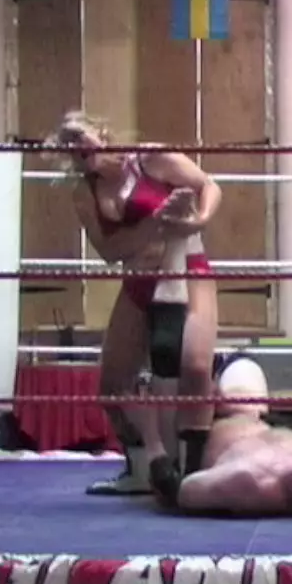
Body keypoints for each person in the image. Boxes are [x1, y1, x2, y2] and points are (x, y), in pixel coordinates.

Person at [48, 111, 220, 495]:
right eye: (68, 146)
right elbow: (110, 251)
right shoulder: (85, 194)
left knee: (195, 367)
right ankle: (144, 467)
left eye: (80, 138)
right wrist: (155, 222)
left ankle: (192, 470)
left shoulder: (149, 158)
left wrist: (198, 220)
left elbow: (208, 185)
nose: (77, 149)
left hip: (186, 267)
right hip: (140, 278)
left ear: (100, 133)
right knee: (112, 386)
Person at [152, 356, 292, 519]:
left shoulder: (250, 480)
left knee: (183, 365)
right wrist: (243, 409)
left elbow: (183, 492)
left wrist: (158, 455)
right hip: (249, 413)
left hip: (201, 428)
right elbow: (289, 428)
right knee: (244, 365)